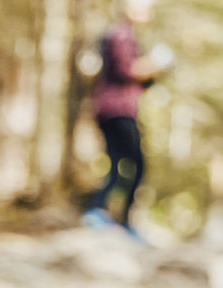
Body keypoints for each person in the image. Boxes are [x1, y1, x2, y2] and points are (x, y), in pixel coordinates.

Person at [85, 0, 165, 240]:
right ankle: (116, 218)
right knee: (136, 164)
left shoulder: (124, 36)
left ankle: (103, 213)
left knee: (117, 163)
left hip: (112, 108)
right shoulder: (121, 36)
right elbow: (125, 70)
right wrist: (152, 66)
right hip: (117, 109)